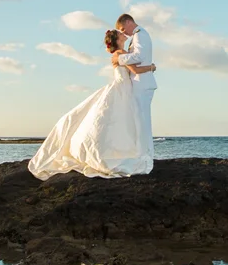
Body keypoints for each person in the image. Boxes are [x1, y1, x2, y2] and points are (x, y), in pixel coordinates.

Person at [27, 28, 157, 179]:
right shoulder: (120, 53)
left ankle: (120, 150)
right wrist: (151, 67)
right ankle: (114, 152)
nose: (123, 34)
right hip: (122, 89)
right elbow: (135, 69)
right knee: (117, 120)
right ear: (117, 39)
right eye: (120, 33)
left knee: (118, 121)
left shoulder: (121, 53)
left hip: (124, 88)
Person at [110, 14, 156, 160]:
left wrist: (119, 58)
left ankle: (144, 154)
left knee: (141, 121)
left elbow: (139, 57)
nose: (124, 33)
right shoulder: (136, 36)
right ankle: (143, 153)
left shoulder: (140, 35)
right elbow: (136, 63)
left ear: (129, 22)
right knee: (139, 121)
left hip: (141, 83)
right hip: (137, 83)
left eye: (123, 29)